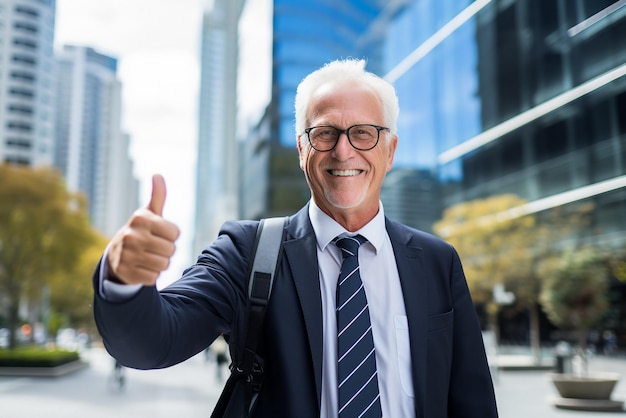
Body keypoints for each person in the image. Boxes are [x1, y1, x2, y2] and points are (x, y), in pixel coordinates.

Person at [93, 59, 498, 417]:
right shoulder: (247, 252)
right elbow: (150, 344)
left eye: (363, 133)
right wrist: (125, 281)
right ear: (302, 148)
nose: (343, 151)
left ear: (389, 151)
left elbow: (472, 401)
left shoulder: (436, 262)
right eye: (325, 134)